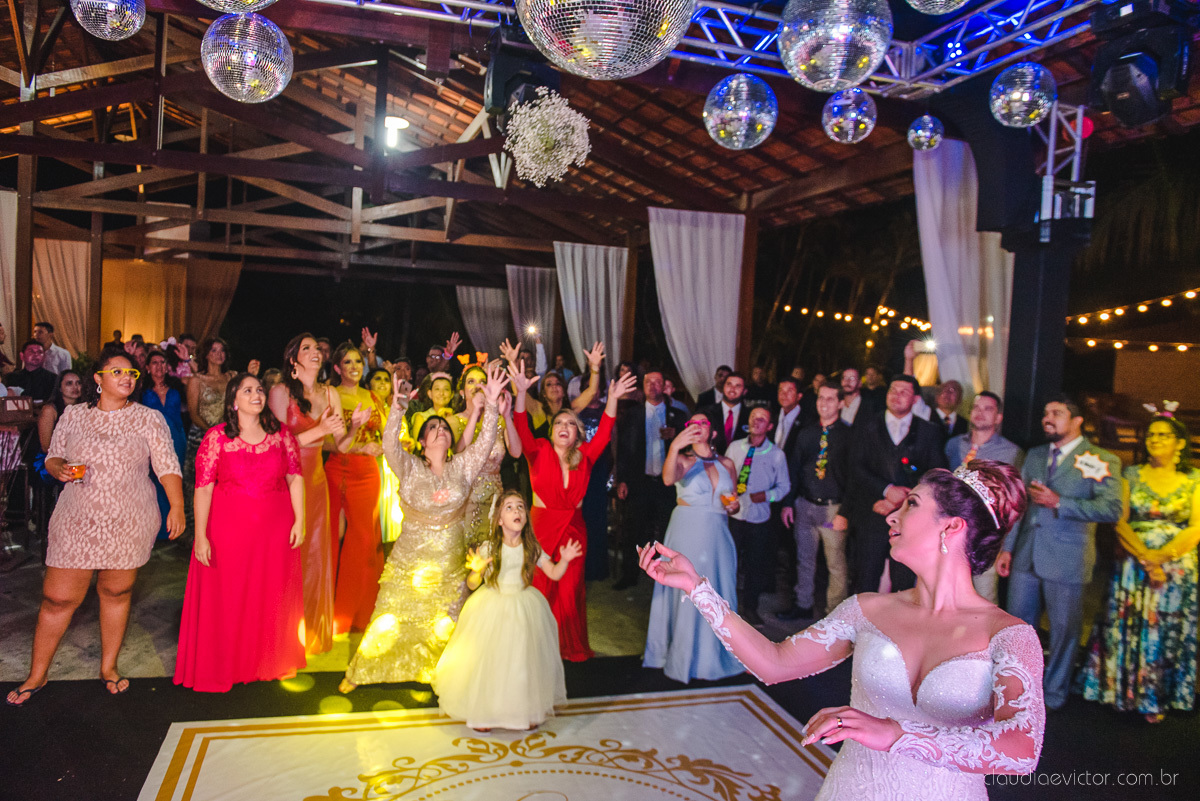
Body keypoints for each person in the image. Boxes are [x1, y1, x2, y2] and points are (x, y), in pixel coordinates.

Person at [638, 460, 1044, 800]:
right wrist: (697, 589)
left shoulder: (1009, 637)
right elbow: (774, 664)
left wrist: (893, 733)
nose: (891, 514)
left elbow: (1021, 750)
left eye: (912, 504)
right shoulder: (865, 610)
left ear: (951, 528)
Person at [6, 346, 183, 706]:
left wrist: (177, 506)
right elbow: (54, 454)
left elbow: (168, 466)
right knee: (58, 598)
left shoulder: (149, 418)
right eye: (116, 372)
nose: (125, 378)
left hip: (128, 519)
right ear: (98, 380)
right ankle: (37, 675)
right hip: (77, 517)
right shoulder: (73, 416)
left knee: (116, 593)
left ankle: (109, 667)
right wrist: (57, 469)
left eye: (131, 373)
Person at [340, 363, 508, 690]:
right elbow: (389, 445)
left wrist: (489, 405)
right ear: (421, 440)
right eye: (432, 428)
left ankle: (442, 672)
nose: (440, 430)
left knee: (446, 620)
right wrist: (396, 409)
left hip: (449, 560)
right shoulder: (409, 468)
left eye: (444, 427)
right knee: (391, 615)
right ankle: (364, 671)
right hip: (409, 560)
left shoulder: (463, 466)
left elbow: (487, 441)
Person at [174, 374, 306, 692]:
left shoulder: (281, 435)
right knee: (229, 597)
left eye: (259, 389)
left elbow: (295, 478)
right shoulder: (216, 437)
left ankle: (268, 661)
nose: (256, 394)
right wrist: (201, 535)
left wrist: (300, 520)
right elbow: (203, 490)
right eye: (247, 390)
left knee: (271, 595)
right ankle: (227, 664)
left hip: (274, 530)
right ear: (234, 401)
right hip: (228, 530)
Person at [996, 395, 1122, 711]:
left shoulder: (1101, 458)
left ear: (1078, 420)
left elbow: (1112, 508)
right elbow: (1018, 506)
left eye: (1057, 413)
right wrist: (1007, 549)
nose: (1047, 418)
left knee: (1065, 631)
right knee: (1018, 627)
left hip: (1068, 558)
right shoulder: (1035, 456)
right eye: (1045, 413)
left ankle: (1052, 694)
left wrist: (1060, 503)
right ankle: (1016, 690)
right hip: (1026, 554)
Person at [508, 358, 637, 661]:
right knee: (538, 590)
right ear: (551, 430)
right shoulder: (537, 450)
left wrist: (614, 400)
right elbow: (521, 428)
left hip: (574, 531)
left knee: (569, 593)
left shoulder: (585, 457)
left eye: (570, 423)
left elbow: (605, 433)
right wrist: (520, 392)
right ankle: (534, 648)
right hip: (541, 529)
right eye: (559, 423)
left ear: (578, 433)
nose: (564, 427)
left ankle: (568, 647)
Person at [1077, 412, 1198, 722]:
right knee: (1128, 626)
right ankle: (1122, 691)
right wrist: (1145, 557)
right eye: (1152, 435)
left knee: (1165, 632)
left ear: (1180, 444)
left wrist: (1161, 559)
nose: (1155, 440)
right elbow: (1120, 521)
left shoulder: (1195, 478)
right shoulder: (1130, 474)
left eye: (1163, 435)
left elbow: (1195, 528)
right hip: (1133, 563)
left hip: (1175, 568)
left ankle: (1157, 696)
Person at [433, 490, 574, 731]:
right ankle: (484, 714)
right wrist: (477, 570)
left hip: (523, 607)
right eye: (509, 508)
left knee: (521, 661)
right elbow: (472, 584)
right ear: (499, 520)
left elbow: (553, 573)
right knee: (491, 662)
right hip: (493, 606)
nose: (516, 511)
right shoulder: (490, 548)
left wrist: (565, 560)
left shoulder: (531, 547)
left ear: (526, 516)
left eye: (520, 507)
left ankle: (523, 710)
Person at [643, 415, 744, 682]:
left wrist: (734, 507)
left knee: (719, 588)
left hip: (718, 533)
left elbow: (732, 500)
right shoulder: (682, 461)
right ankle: (681, 656)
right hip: (687, 530)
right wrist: (675, 445)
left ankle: (717, 656)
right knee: (687, 590)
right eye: (692, 424)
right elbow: (667, 480)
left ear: (712, 431)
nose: (698, 426)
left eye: (704, 422)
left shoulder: (727, 463)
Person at [269, 334, 349, 655]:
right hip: (284, 482)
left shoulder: (331, 394)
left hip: (316, 481)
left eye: (317, 348)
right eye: (307, 348)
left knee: (314, 556)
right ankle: (279, 632)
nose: (315, 352)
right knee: (286, 554)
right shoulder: (279, 393)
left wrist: (353, 427)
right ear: (293, 361)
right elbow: (275, 447)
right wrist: (319, 430)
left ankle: (308, 633)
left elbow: (340, 445)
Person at [843, 375, 947, 594]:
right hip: (873, 512)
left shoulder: (929, 431)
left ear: (915, 398)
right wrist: (886, 491)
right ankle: (861, 627)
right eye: (892, 390)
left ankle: (896, 627)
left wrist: (906, 500)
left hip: (910, 520)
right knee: (865, 579)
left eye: (903, 392)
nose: (896, 396)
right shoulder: (866, 425)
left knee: (903, 582)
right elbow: (855, 467)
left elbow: (936, 473)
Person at [327, 342, 386, 635]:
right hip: (339, 468)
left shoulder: (371, 395)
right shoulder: (331, 395)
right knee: (333, 539)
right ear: (337, 368)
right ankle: (334, 611)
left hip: (367, 474)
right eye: (348, 362)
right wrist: (361, 445)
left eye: (358, 362)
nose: (354, 367)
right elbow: (325, 441)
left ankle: (363, 611)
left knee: (364, 539)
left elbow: (387, 433)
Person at [780, 383, 851, 620]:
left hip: (833, 507)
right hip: (805, 504)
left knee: (836, 564)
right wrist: (789, 502)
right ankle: (803, 604)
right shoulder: (807, 432)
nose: (824, 403)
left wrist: (846, 512)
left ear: (841, 403)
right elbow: (794, 468)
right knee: (804, 559)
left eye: (831, 399)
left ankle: (835, 613)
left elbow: (854, 477)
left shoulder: (849, 435)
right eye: (821, 398)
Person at [945, 391, 1023, 603]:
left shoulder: (1011, 453)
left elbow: (1015, 505)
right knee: (946, 599)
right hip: (950, 537)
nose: (980, 413)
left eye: (988, 409)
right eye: (976, 408)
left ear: (998, 418)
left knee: (983, 603)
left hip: (986, 541)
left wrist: (1007, 548)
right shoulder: (953, 445)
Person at [614, 369, 688, 589]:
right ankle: (630, 575)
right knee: (634, 529)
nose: (653, 385)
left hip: (668, 485)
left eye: (658, 381)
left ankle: (666, 575)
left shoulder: (678, 415)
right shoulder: (632, 414)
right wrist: (622, 480)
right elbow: (624, 450)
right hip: (640, 481)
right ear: (643, 386)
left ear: (664, 386)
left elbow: (690, 450)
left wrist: (675, 436)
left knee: (667, 529)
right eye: (649, 381)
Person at [726, 406, 791, 626]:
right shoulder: (735, 448)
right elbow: (724, 478)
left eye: (762, 419)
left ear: (769, 426)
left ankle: (750, 607)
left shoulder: (776, 455)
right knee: (730, 561)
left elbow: (784, 487)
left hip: (759, 518)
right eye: (754, 417)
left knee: (755, 565)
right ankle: (725, 604)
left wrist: (767, 495)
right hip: (734, 516)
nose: (756, 421)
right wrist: (728, 501)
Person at [453, 361, 522, 548]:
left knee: (490, 551)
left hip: (494, 496)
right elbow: (458, 451)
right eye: (471, 381)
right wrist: (475, 411)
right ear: (462, 392)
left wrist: (507, 416)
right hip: (465, 496)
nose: (477, 386)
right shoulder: (452, 420)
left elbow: (516, 452)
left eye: (482, 381)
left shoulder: (498, 421)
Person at [184, 338, 236, 532]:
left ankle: (222, 527)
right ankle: (196, 531)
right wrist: (212, 434)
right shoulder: (197, 380)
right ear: (206, 354)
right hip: (201, 437)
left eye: (222, 350)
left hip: (229, 438)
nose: (218, 354)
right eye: (214, 350)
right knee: (199, 485)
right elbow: (193, 412)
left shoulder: (231, 377)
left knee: (225, 485)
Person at [141, 352, 188, 541]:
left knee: (175, 479)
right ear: (147, 368)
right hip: (152, 442)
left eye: (163, 362)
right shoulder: (141, 391)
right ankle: (158, 528)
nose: (159, 366)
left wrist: (187, 360)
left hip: (177, 438)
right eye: (154, 363)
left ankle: (177, 526)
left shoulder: (177, 387)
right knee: (156, 482)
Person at [701, 371, 749, 454]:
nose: (732, 389)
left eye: (738, 386)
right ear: (723, 387)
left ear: (744, 391)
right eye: (729, 384)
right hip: (711, 462)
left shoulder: (750, 416)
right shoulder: (706, 412)